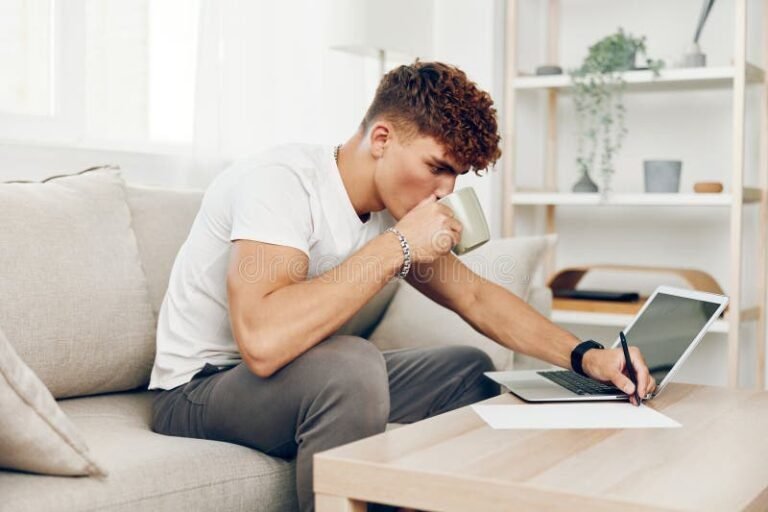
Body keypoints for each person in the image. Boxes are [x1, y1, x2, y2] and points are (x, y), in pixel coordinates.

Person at [148, 60, 656, 512]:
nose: (446, 192)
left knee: (467, 369)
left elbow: (476, 297)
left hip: (295, 379)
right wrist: (400, 246)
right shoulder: (281, 183)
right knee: (351, 363)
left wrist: (588, 357)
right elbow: (261, 344)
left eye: (455, 176)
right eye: (437, 168)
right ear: (382, 139)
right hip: (200, 390)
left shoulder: (392, 213)